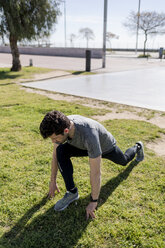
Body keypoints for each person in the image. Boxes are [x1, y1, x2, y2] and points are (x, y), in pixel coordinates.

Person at [40, 110, 144, 219]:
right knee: (60, 151)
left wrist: (94, 201)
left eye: (55, 138)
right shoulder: (61, 125)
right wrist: (53, 181)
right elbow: (55, 156)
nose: (53, 141)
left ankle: (137, 147)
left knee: (124, 161)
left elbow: (96, 172)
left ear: (66, 130)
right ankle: (71, 192)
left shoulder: (89, 135)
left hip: (106, 147)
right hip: (83, 146)